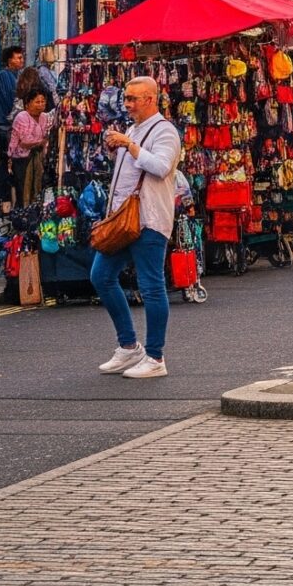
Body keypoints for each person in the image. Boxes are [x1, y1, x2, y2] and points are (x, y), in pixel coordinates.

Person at [91, 75, 182, 379]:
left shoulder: (165, 131)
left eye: (133, 99)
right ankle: (129, 346)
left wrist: (129, 145)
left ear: (151, 99)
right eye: (126, 98)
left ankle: (156, 357)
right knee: (101, 276)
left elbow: (161, 167)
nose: (126, 104)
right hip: (123, 221)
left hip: (150, 220)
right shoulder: (132, 128)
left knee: (152, 287)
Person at [6, 83, 55, 208]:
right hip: (21, 159)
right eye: (37, 102)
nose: (41, 105)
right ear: (28, 104)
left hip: (37, 158)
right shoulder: (22, 117)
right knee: (23, 190)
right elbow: (23, 142)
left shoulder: (44, 117)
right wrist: (41, 142)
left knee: (37, 188)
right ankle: (22, 215)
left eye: (43, 101)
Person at [0, 46, 24, 142]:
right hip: (5, 125)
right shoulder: (3, 76)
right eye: (19, 58)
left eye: (22, 58)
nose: (22, 60)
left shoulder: (15, 76)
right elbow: (9, 100)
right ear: (10, 60)